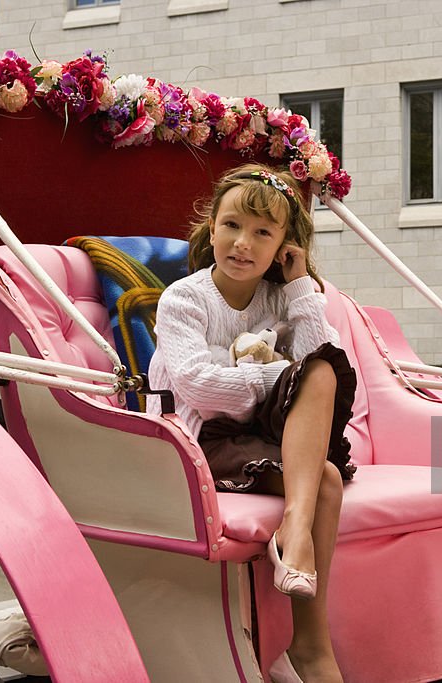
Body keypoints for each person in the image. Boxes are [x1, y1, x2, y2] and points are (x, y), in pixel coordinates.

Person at [147, 163, 356, 683]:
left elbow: (319, 364)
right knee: (325, 477)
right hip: (200, 437)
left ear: (286, 243)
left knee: (324, 369)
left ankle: (296, 550)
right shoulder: (184, 299)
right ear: (211, 227)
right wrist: (275, 376)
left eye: (263, 232)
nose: (243, 243)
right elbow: (199, 388)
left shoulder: (280, 295)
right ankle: (310, 644)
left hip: (263, 435)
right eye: (233, 225)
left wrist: (302, 287)